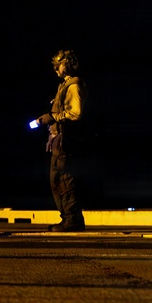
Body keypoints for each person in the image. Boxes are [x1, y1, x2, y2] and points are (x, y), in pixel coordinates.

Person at [32, 50, 88, 232]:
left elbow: (75, 113)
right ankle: (68, 219)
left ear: (69, 64)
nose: (56, 69)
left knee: (63, 179)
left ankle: (72, 220)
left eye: (59, 64)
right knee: (57, 180)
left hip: (67, 140)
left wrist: (52, 117)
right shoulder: (64, 85)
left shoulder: (74, 85)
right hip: (59, 140)